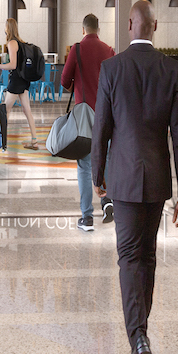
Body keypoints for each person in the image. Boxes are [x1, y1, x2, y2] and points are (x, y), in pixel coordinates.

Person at [91, 0, 178, 354]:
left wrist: (97, 175)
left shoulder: (112, 69)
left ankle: (138, 338)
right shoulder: (170, 70)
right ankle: (141, 333)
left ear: (132, 24)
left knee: (129, 260)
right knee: (147, 258)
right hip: (157, 183)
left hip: (124, 179)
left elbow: (101, 128)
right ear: (155, 26)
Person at [61, 13, 116, 230]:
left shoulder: (77, 49)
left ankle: (87, 217)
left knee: (84, 165)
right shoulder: (109, 50)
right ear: (98, 29)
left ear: (83, 29)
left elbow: (65, 81)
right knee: (107, 159)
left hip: (84, 116)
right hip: (106, 114)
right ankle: (107, 201)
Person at [3, 16, 38, 149]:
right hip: (24, 79)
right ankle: (34, 141)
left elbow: (12, 65)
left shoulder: (12, 43)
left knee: (5, 110)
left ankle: (3, 140)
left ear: (8, 28)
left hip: (16, 80)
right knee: (26, 109)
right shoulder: (22, 43)